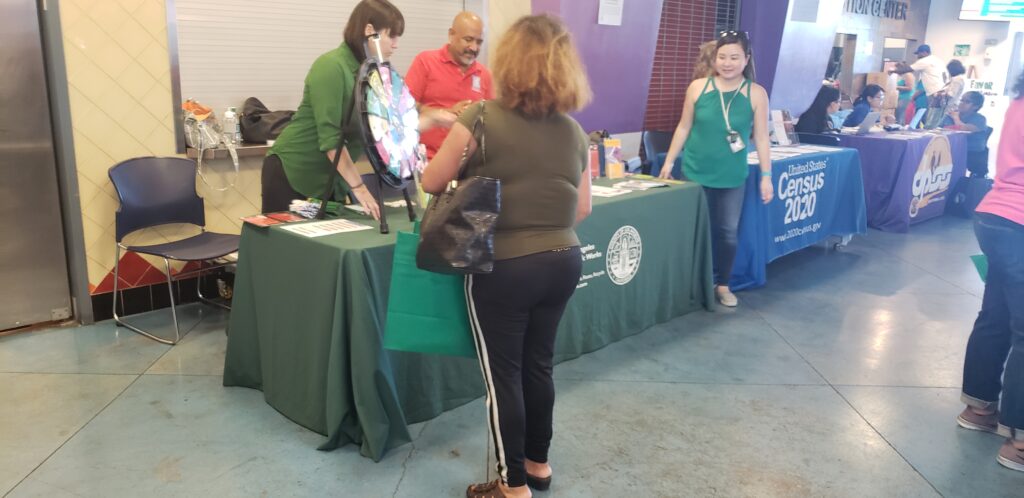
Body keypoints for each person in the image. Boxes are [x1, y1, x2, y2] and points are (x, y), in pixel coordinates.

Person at [420, 14, 592, 498]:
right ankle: (537, 464)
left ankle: (511, 485)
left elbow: (432, 181)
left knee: (503, 377)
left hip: (504, 266)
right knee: (539, 365)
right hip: (564, 258)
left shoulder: (479, 117)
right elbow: (582, 208)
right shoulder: (575, 132)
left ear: (510, 61)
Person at [658, 30, 773, 307]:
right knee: (693, 229)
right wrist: (669, 161)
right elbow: (684, 126)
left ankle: (723, 285)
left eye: (734, 57)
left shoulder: (756, 94)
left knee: (727, 231)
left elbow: (761, 138)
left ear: (746, 59)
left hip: (731, 175)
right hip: (694, 171)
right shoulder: (698, 87)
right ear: (715, 58)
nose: (727, 63)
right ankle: (688, 283)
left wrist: (766, 176)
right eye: (722, 57)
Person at [261, 0, 408, 217]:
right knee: (290, 239)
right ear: (370, 31)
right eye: (391, 35)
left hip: (332, 180)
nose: (396, 45)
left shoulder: (372, 75)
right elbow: (331, 139)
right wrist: (359, 188)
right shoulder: (331, 66)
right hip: (294, 174)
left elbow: (384, 126)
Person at [956, 70, 1024, 474]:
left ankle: (979, 409)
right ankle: (1020, 442)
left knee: (996, 316)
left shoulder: (1018, 102)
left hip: (996, 216)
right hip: (1019, 222)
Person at [405, 11, 495, 160]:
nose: (474, 47)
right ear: (451, 35)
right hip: (426, 160)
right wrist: (444, 113)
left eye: (479, 42)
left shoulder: (484, 74)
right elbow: (404, 107)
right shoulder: (425, 61)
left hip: (468, 164)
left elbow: (491, 121)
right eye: (468, 39)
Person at [943, 91, 990, 177]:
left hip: (971, 152)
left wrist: (956, 118)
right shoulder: (950, 116)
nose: (962, 104)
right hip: (951, 149)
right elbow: (939, 129)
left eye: (967, 102)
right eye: (961, 100)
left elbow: (964, 130)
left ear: (976, 106)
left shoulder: (980, 119)